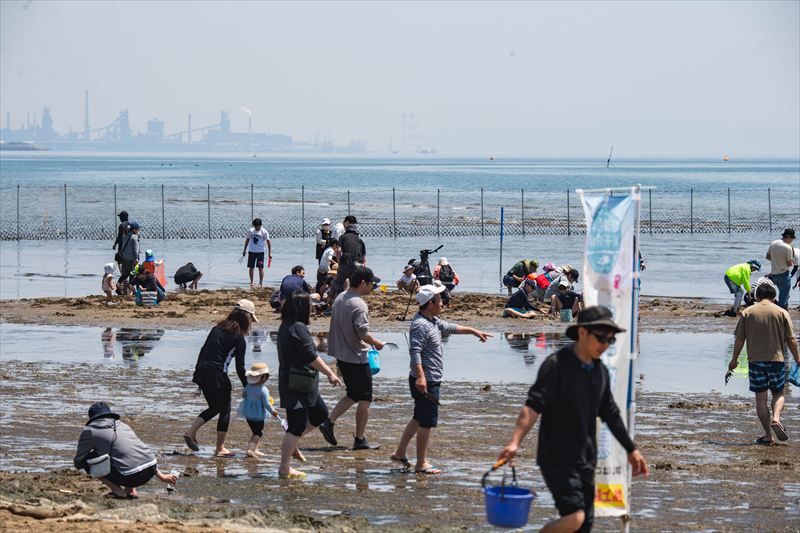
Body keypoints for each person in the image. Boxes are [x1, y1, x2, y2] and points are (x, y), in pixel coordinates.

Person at [497, 306, 649, 533]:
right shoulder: (556, 365)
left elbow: (611, 414)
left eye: (610, 340)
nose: (605, 345)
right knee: (575, 517)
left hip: (586, 458)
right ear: (582, 333)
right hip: (556, 457)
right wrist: (514, 442)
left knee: (584, 525)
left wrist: (631, 449)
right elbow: (532, 407)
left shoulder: (600, 372)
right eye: (601, 338)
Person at [390, 284, 490, 474]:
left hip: (428, 379)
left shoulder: (433, 321)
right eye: (440, 299)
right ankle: (421, 463)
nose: (443, 302)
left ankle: (400, 452)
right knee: (427, 422)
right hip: (425, 380)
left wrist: (474, 331)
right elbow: (415, 352)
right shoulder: (420, 324)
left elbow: (451, 328)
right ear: (429, 304)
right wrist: (421, 377)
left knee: (419, 417)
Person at [320, 266, 386, 450]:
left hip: (341, 354)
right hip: (356, 356)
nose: (373, 287)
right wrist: (377, 343)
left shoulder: (341, 297)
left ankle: (329, 422)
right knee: (365, 398)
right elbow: (363, 332)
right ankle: (359, 439)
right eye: (372, 283)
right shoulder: (359, 304)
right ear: (363, 283)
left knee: (353, 394)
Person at [277, 292, 341, 479]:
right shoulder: (297, 327)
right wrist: (330, 373)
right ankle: (284, 467)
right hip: (296, 382)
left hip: (302, 383)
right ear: (301, 308)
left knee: (320, 413)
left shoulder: (288, 325)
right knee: (296, 425)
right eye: (310, 304)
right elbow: (310, 356)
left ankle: (293, 444)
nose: (313, 307)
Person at [183, 299, 258, 457]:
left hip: (202, 371)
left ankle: (191, 432)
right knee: (225, 409)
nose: (251, 322)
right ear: (246, 317)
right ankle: (220, 448)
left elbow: (203, 351)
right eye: (251, 318)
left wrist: (198, 378)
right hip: (217, 374)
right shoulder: (238, 338)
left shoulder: (216, 328)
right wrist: (249, 387)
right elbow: (240, 368)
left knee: (215, 407)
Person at [727, 283, 798, 445]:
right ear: (774, 297)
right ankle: (776, 418)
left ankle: (768, 435)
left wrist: (734, 360)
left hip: (755, 361)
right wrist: (798, 358)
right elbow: (791, 339)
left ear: (757, 297)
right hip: (777, 361)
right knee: (779, 393)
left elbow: (739, 339)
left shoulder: (747, 312)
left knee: (760, 399)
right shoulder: (782, 312)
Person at [74, 402, 177, 499]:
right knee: (126, 452)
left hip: (130, 476)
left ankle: (117, 491)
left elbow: (79, 461)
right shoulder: (122, 425)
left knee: (88, 460)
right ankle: (131, 490)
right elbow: (139, 451)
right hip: (150, 470)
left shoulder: (90, 430)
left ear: (92, 418)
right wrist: (162, 477)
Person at [237, 362, 284, 459]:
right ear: (263, 377)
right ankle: (250, 449)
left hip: (248, 414)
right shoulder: (263, 390)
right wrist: (273, 411)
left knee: (255, 431)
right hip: (258, 415)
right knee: (258, 432)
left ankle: (255, 449)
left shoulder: (247, 387)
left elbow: (244, 395)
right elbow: (267, 404)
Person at [332, 216, 366, 298]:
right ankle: (356, 300)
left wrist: (339, 263)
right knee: (355, 285)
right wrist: (363, 269)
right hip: (359, 265)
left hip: (346, 263)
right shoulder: (360, 240)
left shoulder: (343, 237)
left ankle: (339, 300)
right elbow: (364, 257)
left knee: (338, 283)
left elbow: (338, 251)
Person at [766, 228, 796, 309]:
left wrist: (777, 261)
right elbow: (789, 264)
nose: (792, 240)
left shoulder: (773, 243)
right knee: (783, 297)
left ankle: (784, 310)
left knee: (785, 294)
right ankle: (780, 313)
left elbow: (768, 257)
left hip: (774, 274)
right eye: (792, 238)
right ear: (789, 237)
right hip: (783, 274)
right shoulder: (788, 247)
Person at [242, 218, 272, 288]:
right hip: (252, 251)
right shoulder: (251, 231)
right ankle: (252, 282)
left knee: (260, 268)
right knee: (251, 267)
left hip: (260, 252)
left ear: (260, 225)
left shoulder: (264, 232)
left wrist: (270, 253)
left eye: (258, 226)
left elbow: (268, 242)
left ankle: (260, 283)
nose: (256, 228)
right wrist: (244, 250)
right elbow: (247, 240)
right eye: (255, 226)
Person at [117, 221, 141, 295]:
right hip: (132, 259)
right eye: (137, 229)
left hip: (125, 258)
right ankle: (131, 291)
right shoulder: (134, 237)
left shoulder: (125, 235)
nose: (138, 231)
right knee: (133, 274)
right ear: (134, 229)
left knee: (125, 274)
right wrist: (136, 259)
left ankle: (117, 284)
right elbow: (135, 249)